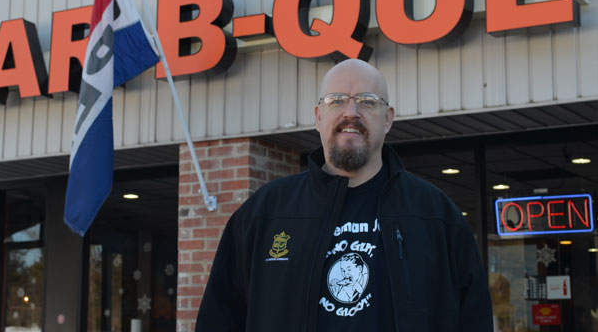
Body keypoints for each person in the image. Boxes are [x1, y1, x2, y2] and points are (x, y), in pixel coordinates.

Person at [195, 59, 493, 332]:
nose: (351, 112)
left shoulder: (436, 216)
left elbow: (474, 321)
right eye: (336, 101)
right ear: (318, 116)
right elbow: (218, 320)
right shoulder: (264, 214)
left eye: (367, 101)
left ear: (388, 119)